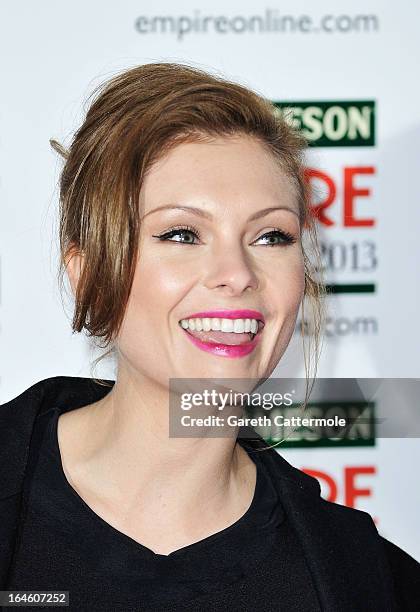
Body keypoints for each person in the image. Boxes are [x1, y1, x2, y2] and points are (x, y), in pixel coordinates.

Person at [0, 62, 419, 612]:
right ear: (88, 271)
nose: (238, 272)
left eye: (271, 235)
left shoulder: (372, 583)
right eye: (182, 234)